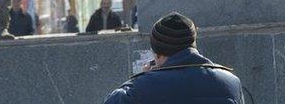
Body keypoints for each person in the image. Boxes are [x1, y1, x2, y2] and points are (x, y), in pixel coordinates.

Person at [103, 12, 243, 104]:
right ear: (193, 45)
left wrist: (140, 79)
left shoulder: (141, 87)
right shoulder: (231, 82)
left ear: (157, 54)